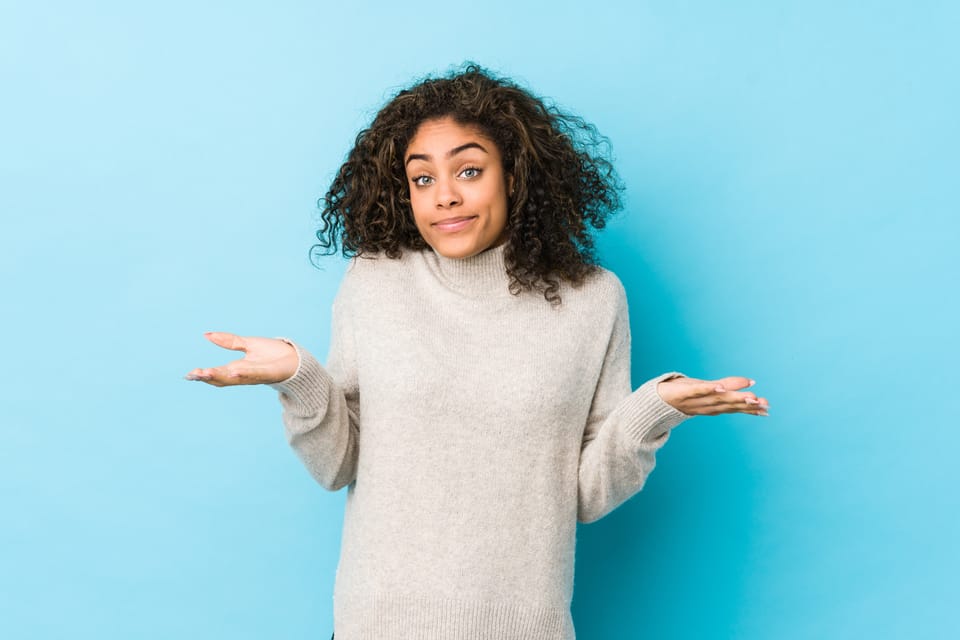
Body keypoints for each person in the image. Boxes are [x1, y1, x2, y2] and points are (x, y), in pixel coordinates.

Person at [185, 64, 769, 640]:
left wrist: (651, 410)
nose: (444, 197)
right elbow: (338, 465)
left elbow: (584, 497)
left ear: (514, 176)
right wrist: (300, 376)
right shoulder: (376, 281)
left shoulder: (594, 299)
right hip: (377, 625)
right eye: (422, 179)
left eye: (468, 170)